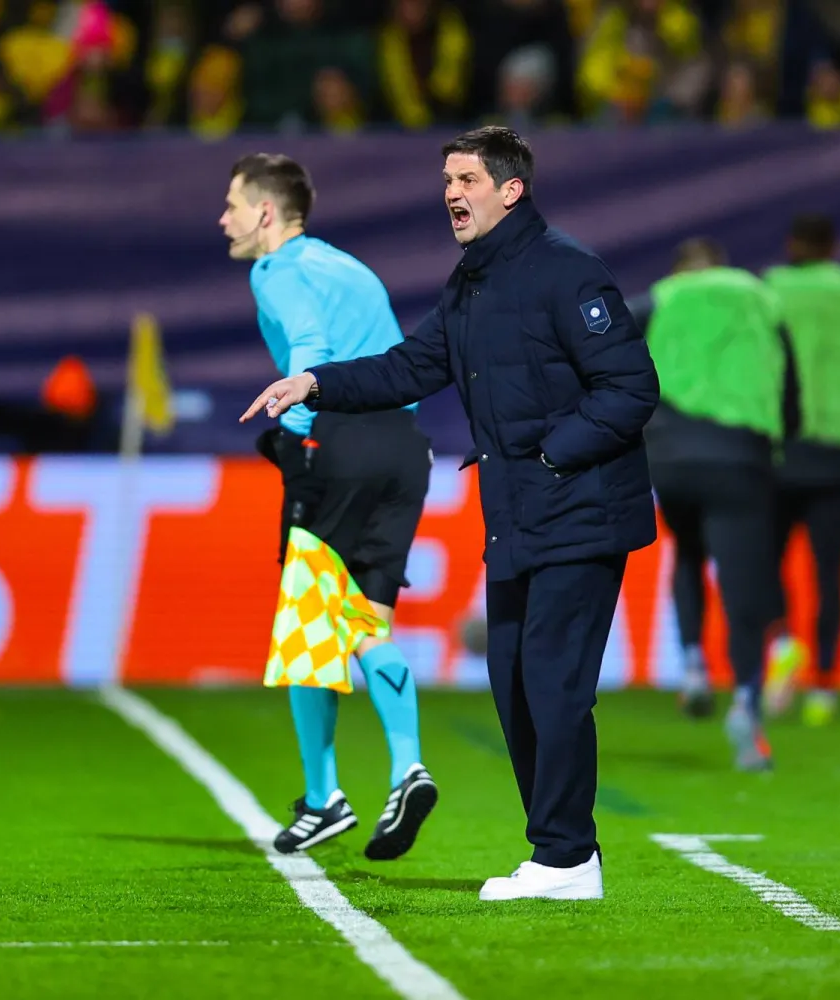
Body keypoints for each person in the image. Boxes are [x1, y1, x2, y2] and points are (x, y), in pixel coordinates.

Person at [241, 126, 659, 902]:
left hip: (580, 507)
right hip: (518, 512)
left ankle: (566, 858)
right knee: (512, 682)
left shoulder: (569, 273)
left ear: (511, 189)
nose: (451, 194)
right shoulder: (472, 281)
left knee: (553, 682)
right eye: (445, 181)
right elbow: (413, 365)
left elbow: (632, 389)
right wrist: (316, 386)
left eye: (466, 179)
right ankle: (563, 855)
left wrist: (551, 455)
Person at [222, 153, 438, 861]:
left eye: (232, 204)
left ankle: (324, 799)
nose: (223, 219)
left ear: (265, 212)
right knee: (365, 622)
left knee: (308, 629)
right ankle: (409, 767)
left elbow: (311, 346)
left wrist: (294, 433)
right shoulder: (348, 266)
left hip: (339, 444)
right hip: (405, 448)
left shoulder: (275, 270)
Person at [629, 237, 790, 768]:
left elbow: (603, 342)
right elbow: (789, 384)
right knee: (743, 584)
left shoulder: (663, 298)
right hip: (741, 457)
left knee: (690, 553)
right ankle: (746, 702)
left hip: (671, 457)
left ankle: (694, 664)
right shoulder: (760, 299)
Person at [759, 215, 840, 726]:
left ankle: (783, 645)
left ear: (791, 244)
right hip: (839, 451)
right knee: (830, 574)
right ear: (835, 247)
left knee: (767, 564)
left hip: (781, 448)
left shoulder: (766, 293)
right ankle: (825, 684)